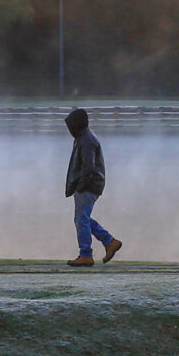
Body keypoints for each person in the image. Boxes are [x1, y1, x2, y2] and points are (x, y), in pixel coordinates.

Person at [63, 107, 121, 267]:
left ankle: (86, 254)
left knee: (81, 219)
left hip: (88, 185)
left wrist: (80, 186)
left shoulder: (87, 140)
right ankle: (110, 242)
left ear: (76, 125)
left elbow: (88, 167)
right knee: (84, 218)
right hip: (89, 185)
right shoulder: (84, 138)